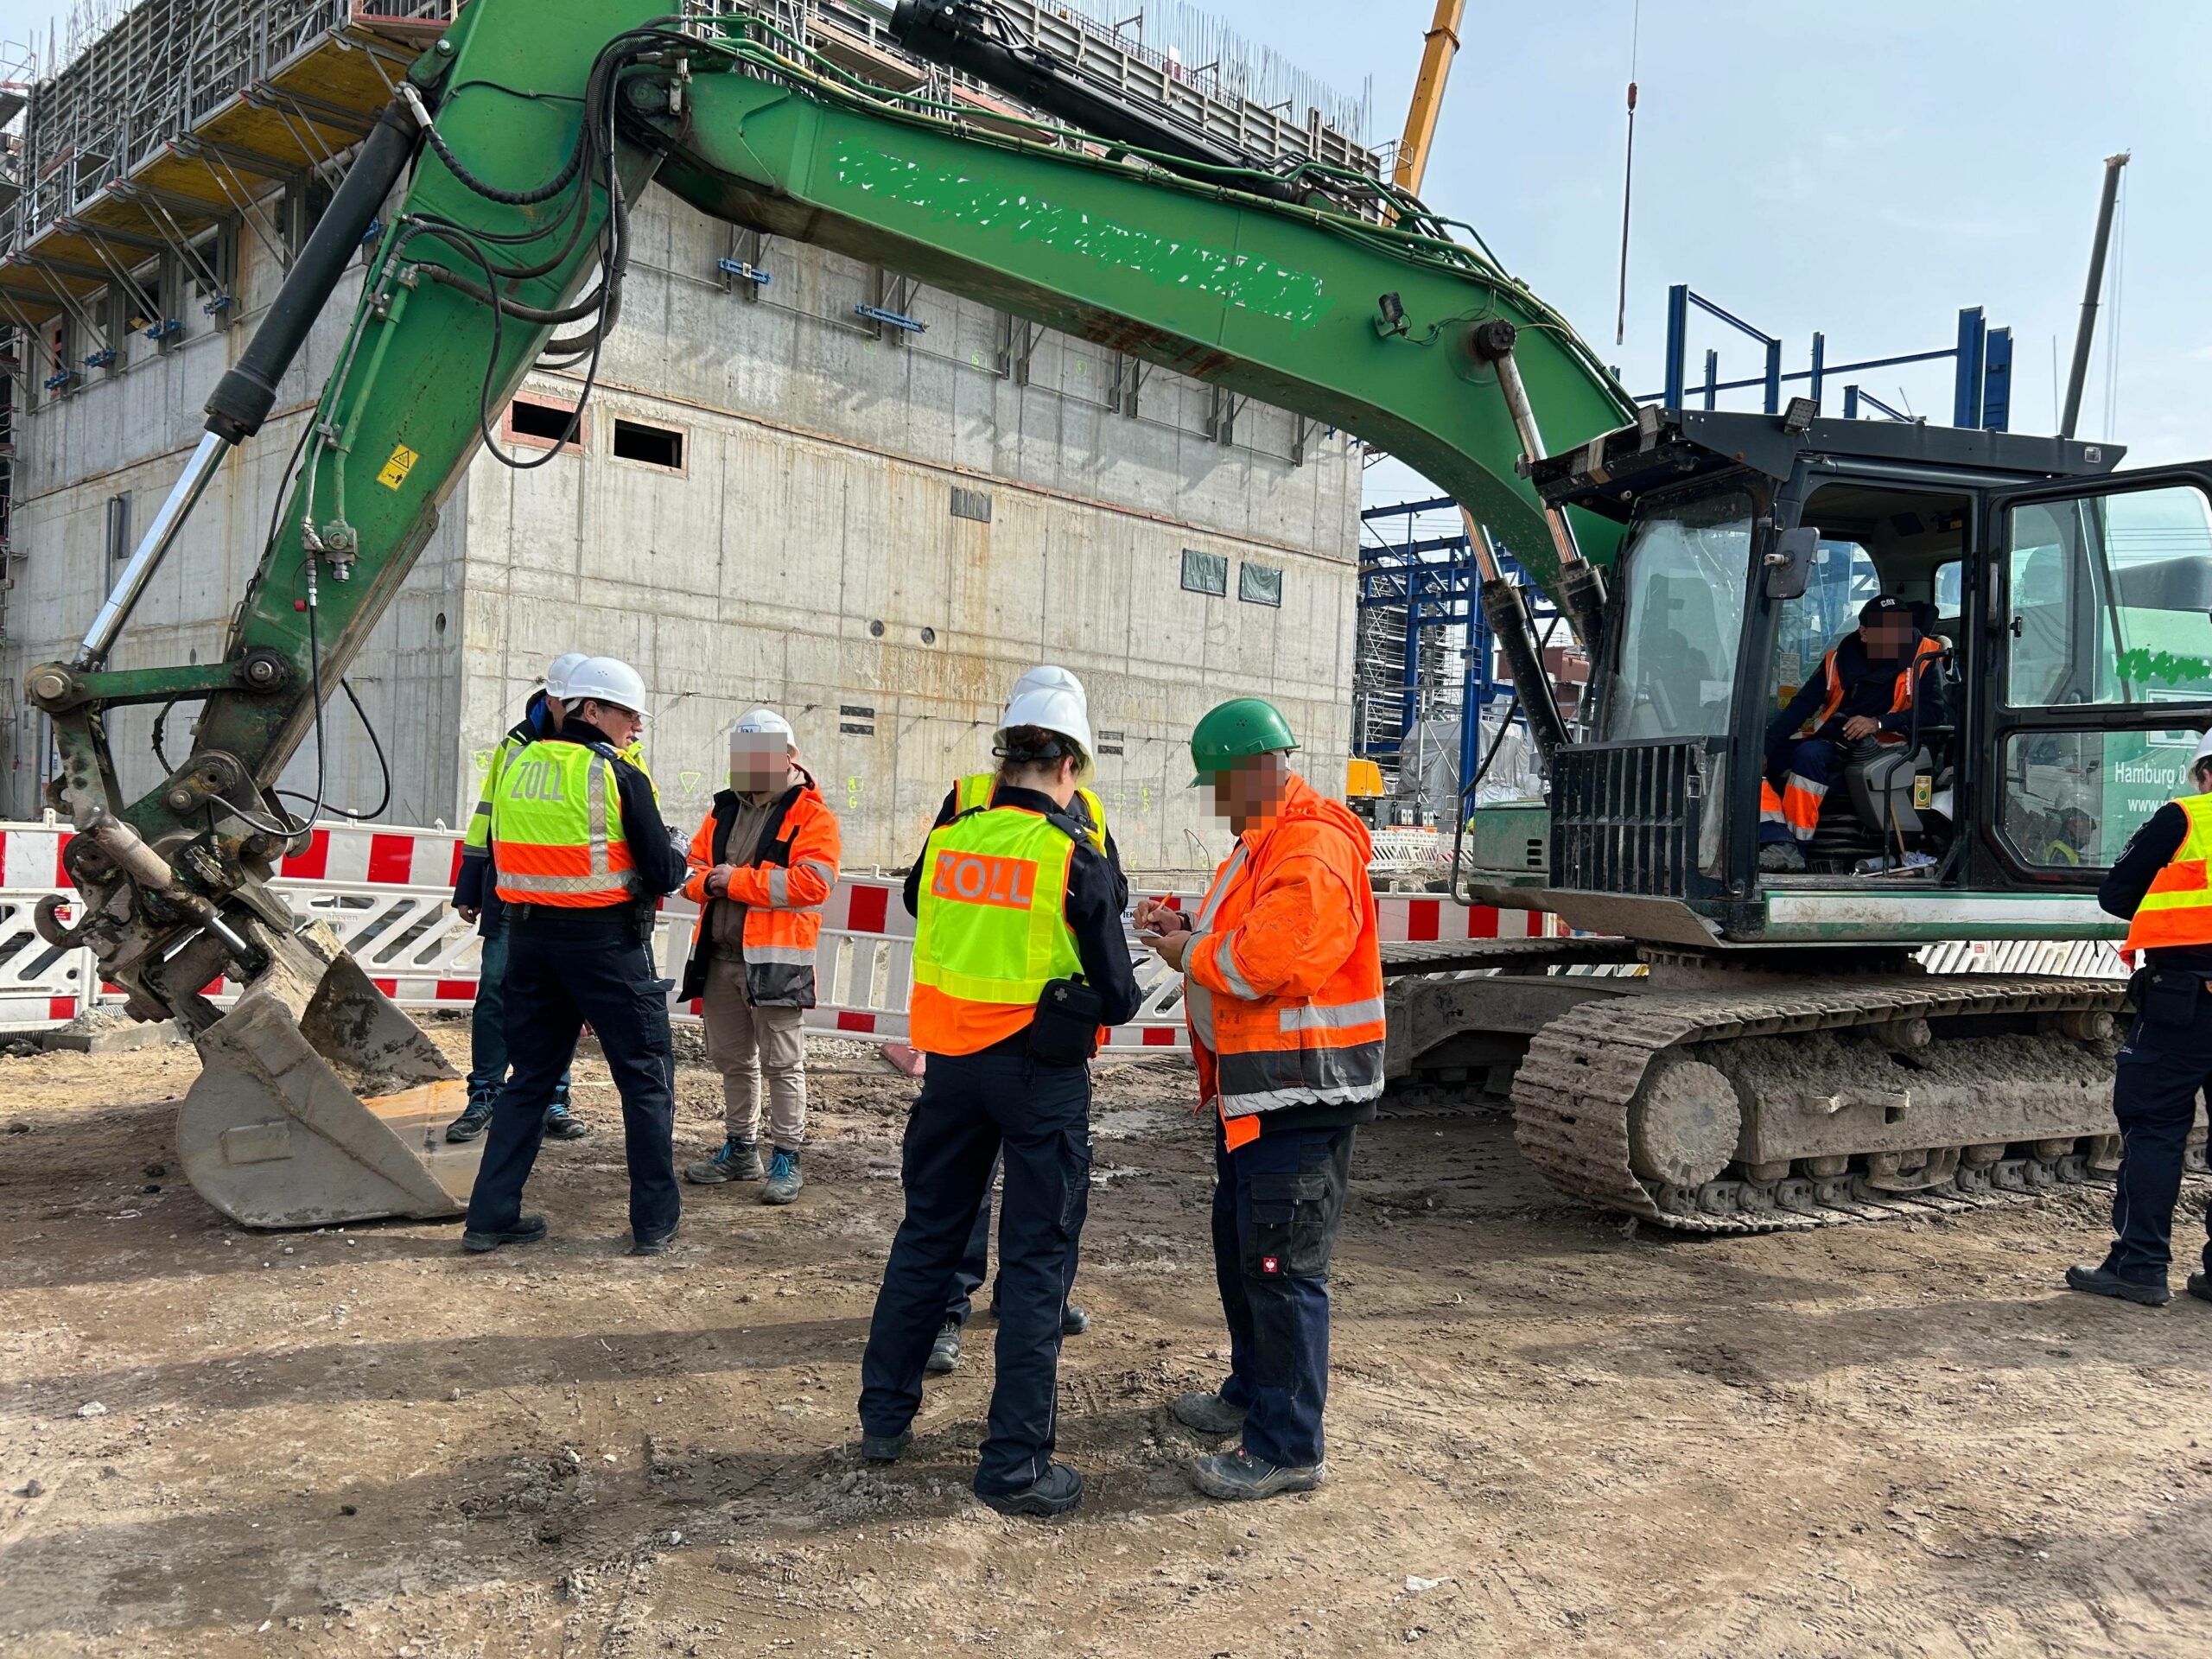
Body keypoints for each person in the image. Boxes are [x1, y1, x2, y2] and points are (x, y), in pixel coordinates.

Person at [855, 671, 1140, 1519]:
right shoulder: (1070, 855)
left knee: (928, 1238)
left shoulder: (950, 839)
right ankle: (1013, 1465)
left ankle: (883, 1418)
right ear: (1068, 766)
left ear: (1005, 756)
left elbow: (915, 901)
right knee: (1037, 1263)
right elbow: (1120, 998)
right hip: (1038, 1076)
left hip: (950, 1071)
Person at [1136, 697, 1382, 1503]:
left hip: (1300, 1095)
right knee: (1246, 1250)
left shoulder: (1311, 844)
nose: (1217, 801)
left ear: (1257, 769)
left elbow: (1266, 959)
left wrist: (1185, 950)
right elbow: (1238, 931)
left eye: (1221, 784)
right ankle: (1252, 1392)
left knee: (1282, 1267)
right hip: (1260, 1094)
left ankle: (1287, 1445)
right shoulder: (1263, 843)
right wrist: (1186, 923)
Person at [923, 670, 1122, 1376]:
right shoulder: (981, 801)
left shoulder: (1057, 809)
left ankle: (1019, 1300)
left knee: (959, 1194)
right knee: (1031, 1192)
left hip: (973, 1042)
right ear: (1071, 756)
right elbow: (1104, 909)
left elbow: (923, 898)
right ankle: (962, 1307)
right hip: (1030, 1045)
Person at [460, 656, 691, 1256]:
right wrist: (678, 853)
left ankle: (490, 1216)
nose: (635, 727)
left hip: (531, 945)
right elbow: (662, 873)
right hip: (606, 947)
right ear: (594, 710)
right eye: (628, 715)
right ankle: (654, 1222)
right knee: (644, 1080)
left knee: (530, 1079)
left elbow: (500, 848)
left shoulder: (517, 766)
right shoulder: (617, 775)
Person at [2065, 730, 2212, 1309]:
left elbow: (2118, 893)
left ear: (2204, 772)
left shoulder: (2184, 818)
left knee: (2154, 1131)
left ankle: (2140, 1265)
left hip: (2184, 1002)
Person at [680, 709, 842, 1205]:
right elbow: (691, 869)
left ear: (788, 758)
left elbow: (814, 883)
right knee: (734, 1062)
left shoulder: (811, 816)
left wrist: (735, 881)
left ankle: (787, 1156)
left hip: (775, 961)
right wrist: (708, 880)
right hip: (721, 958)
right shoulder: (724, 809)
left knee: (782, 1064)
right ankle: (741, 1148)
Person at [446, 652, 589, 1145]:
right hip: (511, 895)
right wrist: (470, 881)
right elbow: (488, 812)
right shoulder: (516, 746)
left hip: (570, 898)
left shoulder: (603, 748)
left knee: (561, 1000)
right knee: (494, 994)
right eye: (570, 702)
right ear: (552, 700)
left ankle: (554, 1097)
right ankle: (485, 1091)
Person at [1759, 594, 1946, 872]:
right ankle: (1779, 839)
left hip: (1889, 749)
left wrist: (1879, 723)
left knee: (1807, 757)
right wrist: (1764, 747)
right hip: (1837, 740)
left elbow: (1935, 713)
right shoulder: (1839, 659)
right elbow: (1802, 706)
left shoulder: (1925, 656)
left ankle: (1796, 849)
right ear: (1865, 633)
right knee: (1757, 761)